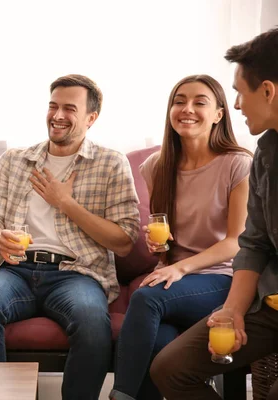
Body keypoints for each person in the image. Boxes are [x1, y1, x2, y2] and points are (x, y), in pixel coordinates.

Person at [0, 74, 141, 400]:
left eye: (70, 108)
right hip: (14, 269)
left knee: (92, 324)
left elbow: (124, 241)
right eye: (53, 106)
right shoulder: (14, 160)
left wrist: (65, 203)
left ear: (91, 117)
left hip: (77, 273)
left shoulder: (112, 163)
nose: (57, 115)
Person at [150, 27, 278, 399]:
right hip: (267, 303)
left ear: (268, 91)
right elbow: (252, 242)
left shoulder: (237, 162)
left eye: (239, 91)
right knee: (170, 369)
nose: (237, 104)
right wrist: (234, 311)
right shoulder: (266, 152)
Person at [110, 75, 252, 400]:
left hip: (223, 278)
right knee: (160, 345)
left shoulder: (238, 164)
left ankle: (120, 396)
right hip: (178, 283)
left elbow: (235, 242)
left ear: (218, 114)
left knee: (146, 297)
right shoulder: (157, 165)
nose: (187, 109)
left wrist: (180, 268)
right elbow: (165, 238)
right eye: (179, 101)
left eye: (199, 102)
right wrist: (159, 247)